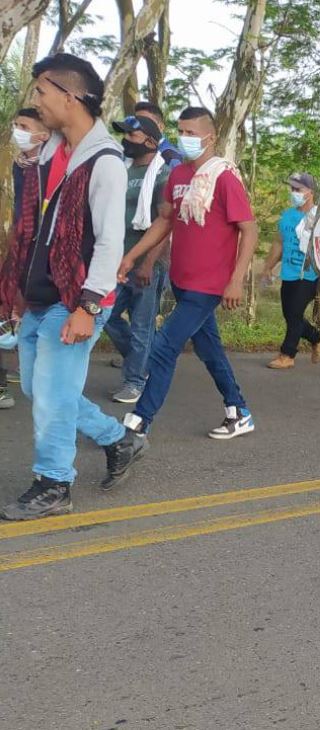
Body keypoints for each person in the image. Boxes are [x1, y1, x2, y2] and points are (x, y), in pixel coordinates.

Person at [0, 54, 142, 520]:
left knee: (54, 398)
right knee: (38, 392)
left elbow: (108, 241)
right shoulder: (48, 153)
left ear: (70, 96)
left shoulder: (105, 162)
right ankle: (118, 438)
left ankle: (54, 484)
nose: (35, 101)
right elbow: (32, 228)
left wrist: (88, 305)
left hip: (75, 297)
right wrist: (19, 286)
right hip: (39, 294)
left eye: (41, 91)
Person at [117, 105, 259, 443]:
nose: (184, 139)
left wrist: (236, 279)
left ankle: (138, 423)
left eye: (191, 133)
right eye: (180, 132)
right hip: (181, 280)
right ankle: (238, 411)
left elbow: (249, 230)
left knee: (164, 348)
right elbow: (164, 222)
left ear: (211, 137)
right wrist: (132, 257)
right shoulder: (178, 175)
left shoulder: (223, 177)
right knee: (210, 350)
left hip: (209, 285)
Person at [104, 112, 171, 404]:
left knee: (143, 324)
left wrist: (147, 262)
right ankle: (144, 363)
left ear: (150, 141)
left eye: (131, 135)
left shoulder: (162, 174)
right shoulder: (122, 169)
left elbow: (165, 224)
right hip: (116, 260)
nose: (126, 140)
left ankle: (135, 381)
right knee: (105, 315)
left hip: (146, 263)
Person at [2, 108, 52, 410]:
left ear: (43, 135)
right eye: (15, 124)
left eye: (24, 126)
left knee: (36, 310)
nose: (17, 130)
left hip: (41, 249)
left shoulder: (51, 167)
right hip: (20, 243)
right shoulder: (20, 165)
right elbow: (22, 209)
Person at [261, 172, 320, 369]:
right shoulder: (288, 216)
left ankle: (287, 354)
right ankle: (317, 338)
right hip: (288, 273)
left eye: (298, 189)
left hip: (308, 274)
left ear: (310, 192)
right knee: (290, 315)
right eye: (292, 189)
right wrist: (268, 267)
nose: (294, 193)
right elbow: (279, 243)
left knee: (295, 312)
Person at [132, 100, 183, 169]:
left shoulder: (171, 158)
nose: (140, 127)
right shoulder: (132, 154)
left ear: (161, 127)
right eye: (137, 123)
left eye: (146, 122)